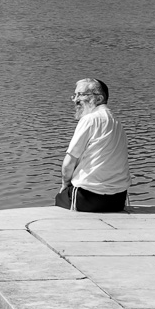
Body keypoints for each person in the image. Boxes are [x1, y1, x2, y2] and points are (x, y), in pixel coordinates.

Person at [57, 78, 129, 213]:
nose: (75, 100)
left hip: (88, 198)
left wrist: (65, 185)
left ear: (99, 98)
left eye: (81, 95)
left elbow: (69, 162)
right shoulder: (117, 123)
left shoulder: (90, 119)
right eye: (75, 95)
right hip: (118, 200)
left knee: (59, 198)